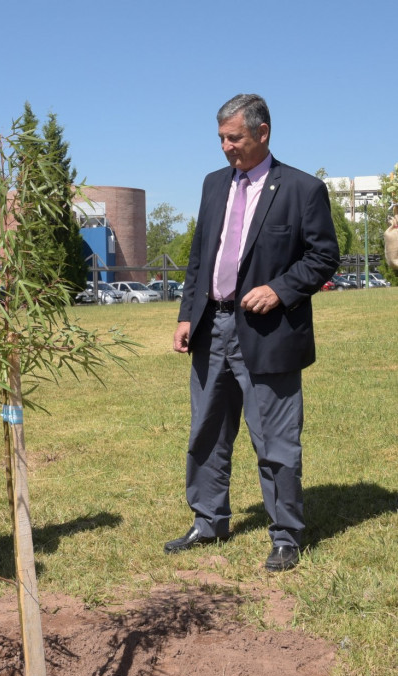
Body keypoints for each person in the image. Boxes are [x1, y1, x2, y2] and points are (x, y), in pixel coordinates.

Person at [167, 94, 339, 572]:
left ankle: (286, 534)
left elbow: (324, 257)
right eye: (221, 138)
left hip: (270, 333)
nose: (225, 147)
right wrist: (186, 315)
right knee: (206, 432)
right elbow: (200, 257)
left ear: (263, 133)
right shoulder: (212, 185)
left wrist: (280, 290)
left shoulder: (303, 189)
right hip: (210, 329)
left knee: (275, 440)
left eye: (234, 138)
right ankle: (207, 521)